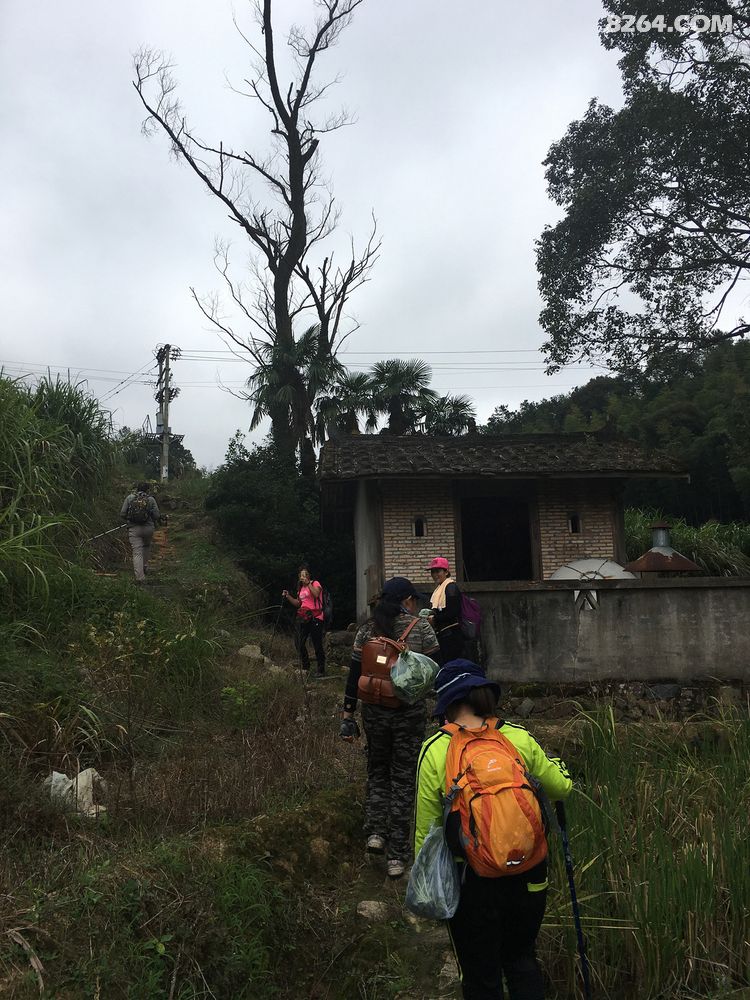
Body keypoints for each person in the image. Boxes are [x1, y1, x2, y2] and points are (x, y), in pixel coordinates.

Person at [415, 659, 572, 1000]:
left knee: (480, 975)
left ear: (447, 705)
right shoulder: (516, 736)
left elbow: (427, 836)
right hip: (530, 876)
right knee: (521, 961)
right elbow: (561, 788)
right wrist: (558, 765)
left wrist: (431, 892)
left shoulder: (435, 749)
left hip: (472, 883)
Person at [340, 577, 440, 879]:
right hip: (408, 714)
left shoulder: (366, 630)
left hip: (374, 712)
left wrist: (347, 713)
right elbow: (437, 672)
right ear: (407, 601)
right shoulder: (421, 628)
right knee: (403, 779)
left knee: (377, 770)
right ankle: (397, 857)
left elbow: (354, 675)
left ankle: (375, 834)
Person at [283, 566, 326, 676]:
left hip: (316, 616)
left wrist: (308, 584)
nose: (303, 577)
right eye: (301, 575)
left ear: (309, 576)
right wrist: (288, 596)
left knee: (317, 643)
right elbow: (298, 603)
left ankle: (321, 670)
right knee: (298, 641)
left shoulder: (315, 583)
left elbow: (316, 594)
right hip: (304, 617)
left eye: (305, 574)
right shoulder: (301, 588)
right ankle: (306, 666)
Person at [120, 482, 160, 583]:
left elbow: (122, 513)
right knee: (146, 546)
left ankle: (140, 578)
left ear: (137, 489)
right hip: (148, 528)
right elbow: (156, 516)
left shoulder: (130, 498)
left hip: (134, 529)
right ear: (148, 490)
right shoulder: (151, 499)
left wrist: (130, 519)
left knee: (137, 552)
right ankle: (145, 567)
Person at [428, 557, 464, 662]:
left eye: (438, 571)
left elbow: (453, 612)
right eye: (433, 572)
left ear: (446, 572)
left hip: (451, 635)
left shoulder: (450, 588)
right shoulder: (439, 589)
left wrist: (435, 619)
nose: (435, 575)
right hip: (443, 634)